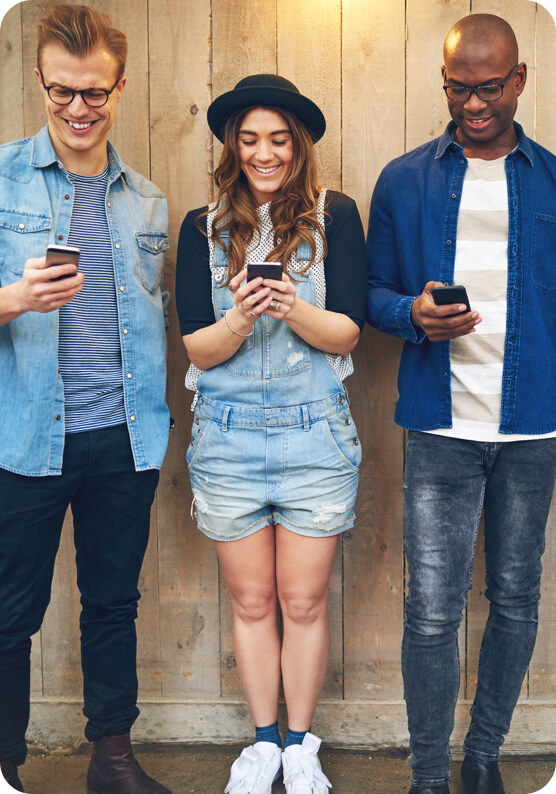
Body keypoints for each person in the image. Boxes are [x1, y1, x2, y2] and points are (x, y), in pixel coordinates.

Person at [366, 13, 556, 794]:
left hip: (533, 426)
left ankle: (483, 758)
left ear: (517, 80)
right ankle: (426, 777)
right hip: (439, 426)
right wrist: (411, 314)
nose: (472, 103)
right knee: (432, 612)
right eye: (457, 87)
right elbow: (370, 294)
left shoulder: (551, 180)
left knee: (515, 597)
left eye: (487, 87)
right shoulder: (405, 179)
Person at [176, 73, 367, 794]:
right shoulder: (203, 227)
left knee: (304, 602)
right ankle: (262, 745)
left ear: (298, 145)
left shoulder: (334, 215)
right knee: (252, 603)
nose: (264, 153)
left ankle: (299, 745)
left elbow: (348, 329)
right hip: (227, 439)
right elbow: (195, 346)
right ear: (233, 145)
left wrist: (290, 306)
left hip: (315, 436)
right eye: (250, 139)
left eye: (279, 139)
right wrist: (241, 318)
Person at [0, 5, 171, 793]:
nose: (78, 109)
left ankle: (111, 758)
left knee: (113, 604)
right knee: (8, 617)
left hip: (125, 439)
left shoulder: (146, 200)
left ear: (119, 87)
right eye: (62, 91)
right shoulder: (2, 178)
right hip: (27, 438)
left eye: (94, 93)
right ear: (41, 82)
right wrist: (13, 298)